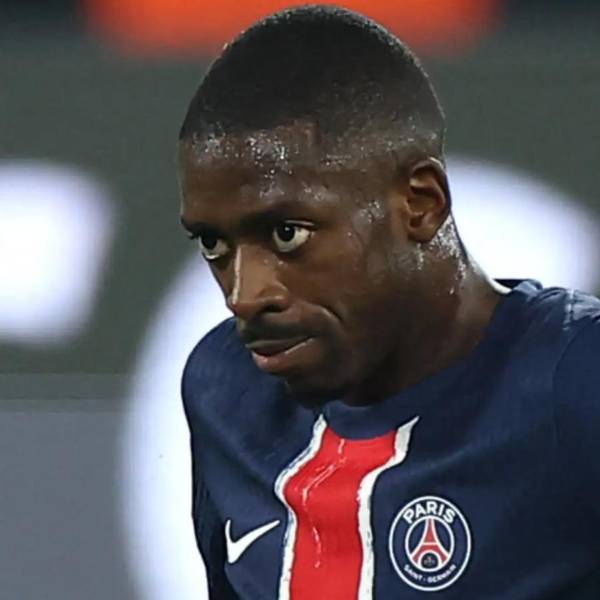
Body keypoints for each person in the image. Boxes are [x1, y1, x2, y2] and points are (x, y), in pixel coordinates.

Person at [177, 5, 600, 599]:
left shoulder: (578, 381)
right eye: (214, 245)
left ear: (420, 204)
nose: (245, 295)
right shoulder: (223, 389)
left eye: (287, 234)